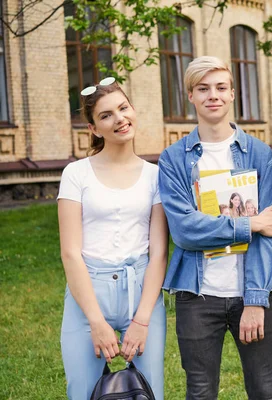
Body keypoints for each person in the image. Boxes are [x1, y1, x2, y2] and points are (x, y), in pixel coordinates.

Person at [158, 56, 272, 399]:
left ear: (232, 95)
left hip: (251, 290)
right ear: (191, 96)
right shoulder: (173, 159)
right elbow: (184, 229)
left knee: (264, 389)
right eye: (203, 88)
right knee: (200, 391)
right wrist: (250, 223)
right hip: (198, 294)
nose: (212, 95)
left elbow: (269, 232)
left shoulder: (258, 154)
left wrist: (256, 301)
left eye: (220, 87)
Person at [57, 77, 168, 399]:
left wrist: (143, 320)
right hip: (89, 292)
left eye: (123, 108)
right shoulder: (76, 174)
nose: (119, 119)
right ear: (93, 129)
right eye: (106, 115)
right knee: (82, 391)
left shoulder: (155, 175)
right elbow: (70, 253)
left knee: (149, 392)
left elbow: (159, 252)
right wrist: (97, 321)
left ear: (133, 110)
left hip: (141, 291)